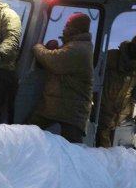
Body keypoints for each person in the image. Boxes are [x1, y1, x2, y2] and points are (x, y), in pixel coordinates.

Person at [30, 13, 94, 144]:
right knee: (30, 131)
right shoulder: (75, 46)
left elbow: (52, 61)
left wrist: (38, 47)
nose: (64, 29)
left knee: (71, 148)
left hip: (71, 110)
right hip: (62, 106)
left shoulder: (79, 48)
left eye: (67, 26)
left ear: (75, 29)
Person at [97, 34, 136, 148]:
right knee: (101, 145)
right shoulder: (111, 56)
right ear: (131, 44)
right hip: (103, 110)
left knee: (118, 147)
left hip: (123, 116)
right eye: (135, 47)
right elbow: (94, 70)